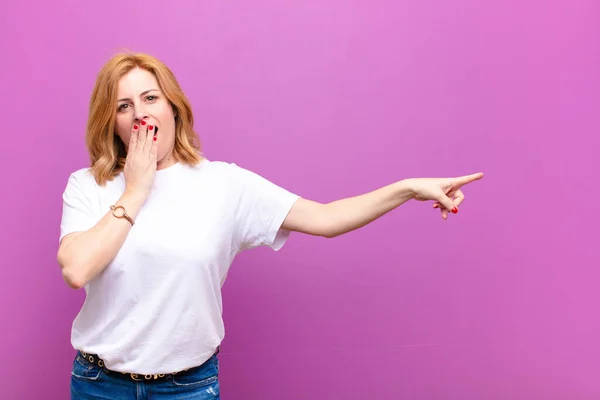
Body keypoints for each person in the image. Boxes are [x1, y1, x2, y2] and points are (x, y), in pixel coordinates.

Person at [57, 51, 483, 400]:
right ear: (111, 121)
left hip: (187, 387)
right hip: (100, 386)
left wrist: (407, 188)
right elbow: (76, 269)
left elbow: (327, 218)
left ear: (173, 107)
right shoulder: (89, 186)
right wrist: (135, 190)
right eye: (124, 106)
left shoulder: (224, 184)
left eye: (151, 98)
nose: (141, 115)